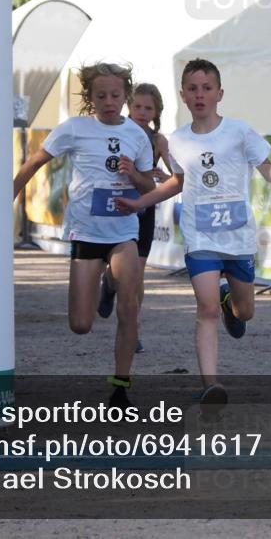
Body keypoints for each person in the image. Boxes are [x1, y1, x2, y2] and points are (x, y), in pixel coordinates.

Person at [115, 59, 271, 408]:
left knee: (245, 313)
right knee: (206, 308)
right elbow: (177, 183)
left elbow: (267, 171)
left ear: (219, 93)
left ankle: (232, 301)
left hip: (238, 236)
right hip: (201, 237)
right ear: (183, 95)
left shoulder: (240, 131)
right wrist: (141, 203)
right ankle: (211, 383)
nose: (200, 95)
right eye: (193, 89)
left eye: (206, 88)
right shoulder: (178, 141)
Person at [12, 62, 155, 408]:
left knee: (129, 307)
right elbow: (33, 164)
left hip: (123, 230)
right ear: (90, 98)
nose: (109, 101)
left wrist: (133, 174)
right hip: (87, 231)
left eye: (115, 95)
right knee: (80, 324)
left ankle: (121, 386)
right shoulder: (74, 129)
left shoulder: (137, 136)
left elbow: (149, 185)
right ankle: (108, 280)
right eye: (101, 95)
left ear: (125, 97)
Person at [97, 83, 173, 354]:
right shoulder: (117, 132)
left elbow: (175, 175)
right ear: (129, 106)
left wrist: (164, 178)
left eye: (148, 108)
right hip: (115, 206)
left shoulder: (159, 141)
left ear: (156, 112)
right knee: (120, 275)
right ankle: (109, 282)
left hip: (144, 210)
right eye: (138, 106)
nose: (142, 112)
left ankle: (133, 329)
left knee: (137, 275)